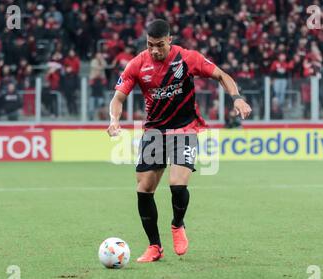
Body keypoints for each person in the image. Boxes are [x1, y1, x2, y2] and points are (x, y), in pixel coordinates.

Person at [106, 19, 251, 263]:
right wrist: (114, 120)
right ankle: (154, 247)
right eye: (150, 45)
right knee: (144, 190)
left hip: (185, 128)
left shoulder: (187, 58)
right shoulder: (137, 64)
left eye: (159, 45)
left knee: (177, 184)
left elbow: (221, 75)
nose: (154, 50)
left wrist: (236, 98)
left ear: (170, 40)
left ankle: (177, 224)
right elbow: (118, 98)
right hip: (154, 132)